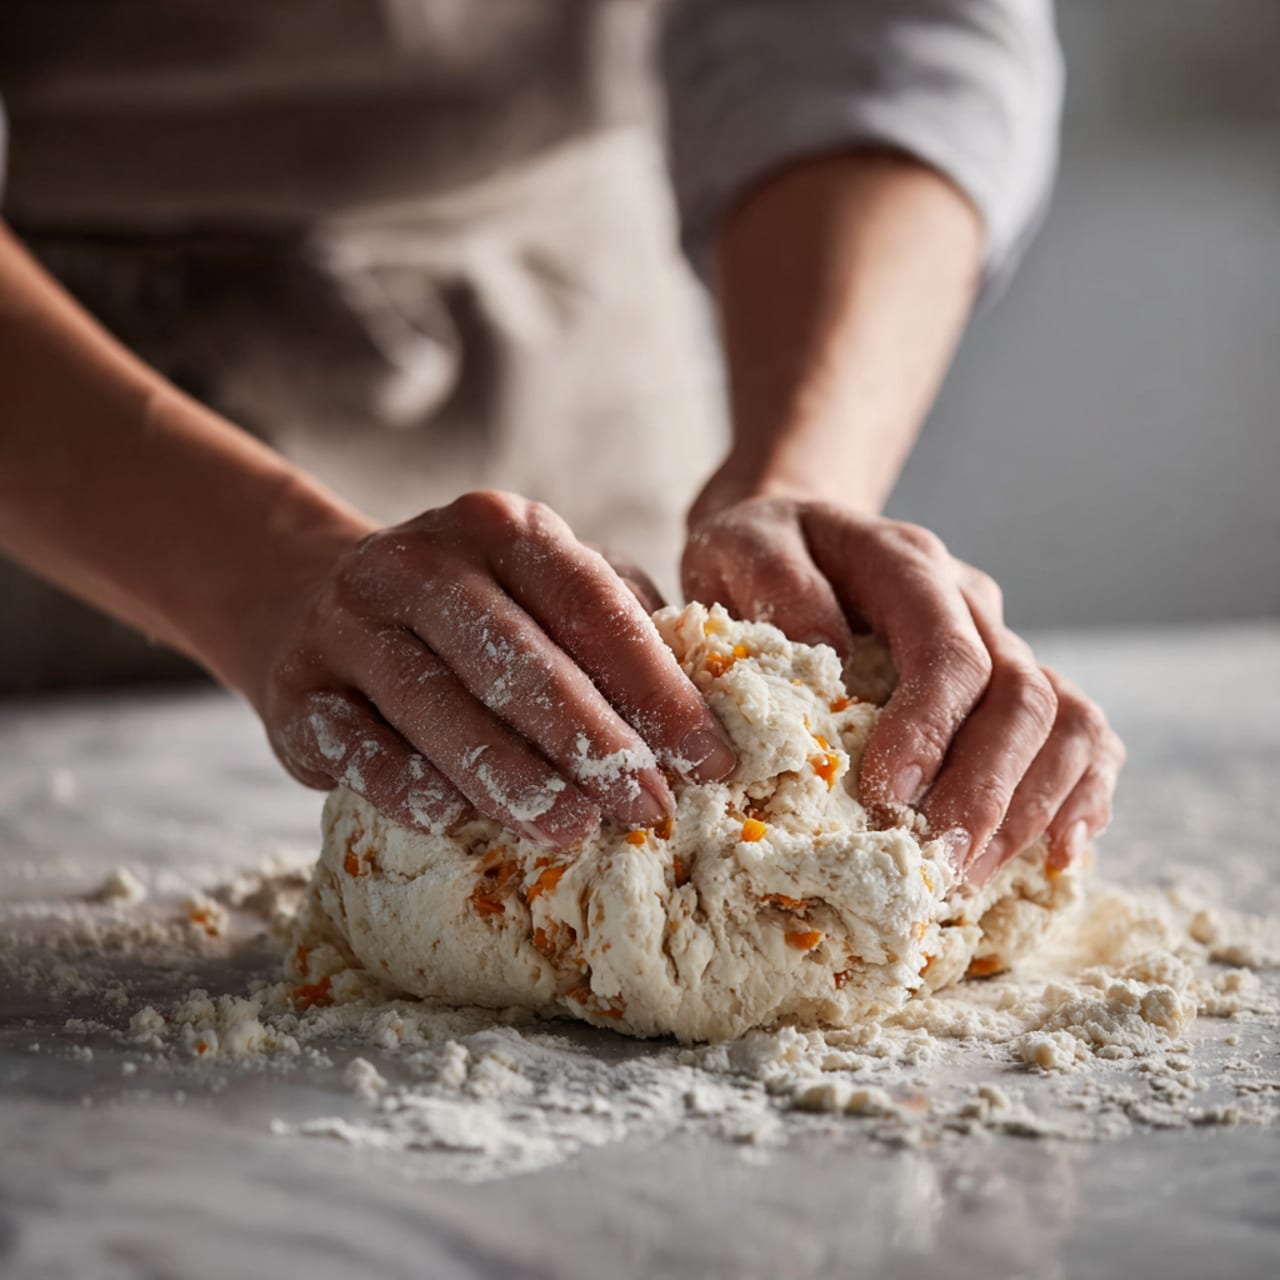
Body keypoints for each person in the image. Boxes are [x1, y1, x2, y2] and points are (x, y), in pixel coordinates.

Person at [0, 0, 1123, 887]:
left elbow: (869, 28)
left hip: (561, 314)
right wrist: (259, 570)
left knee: (643, 748)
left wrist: (795, 479)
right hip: (55, 394)